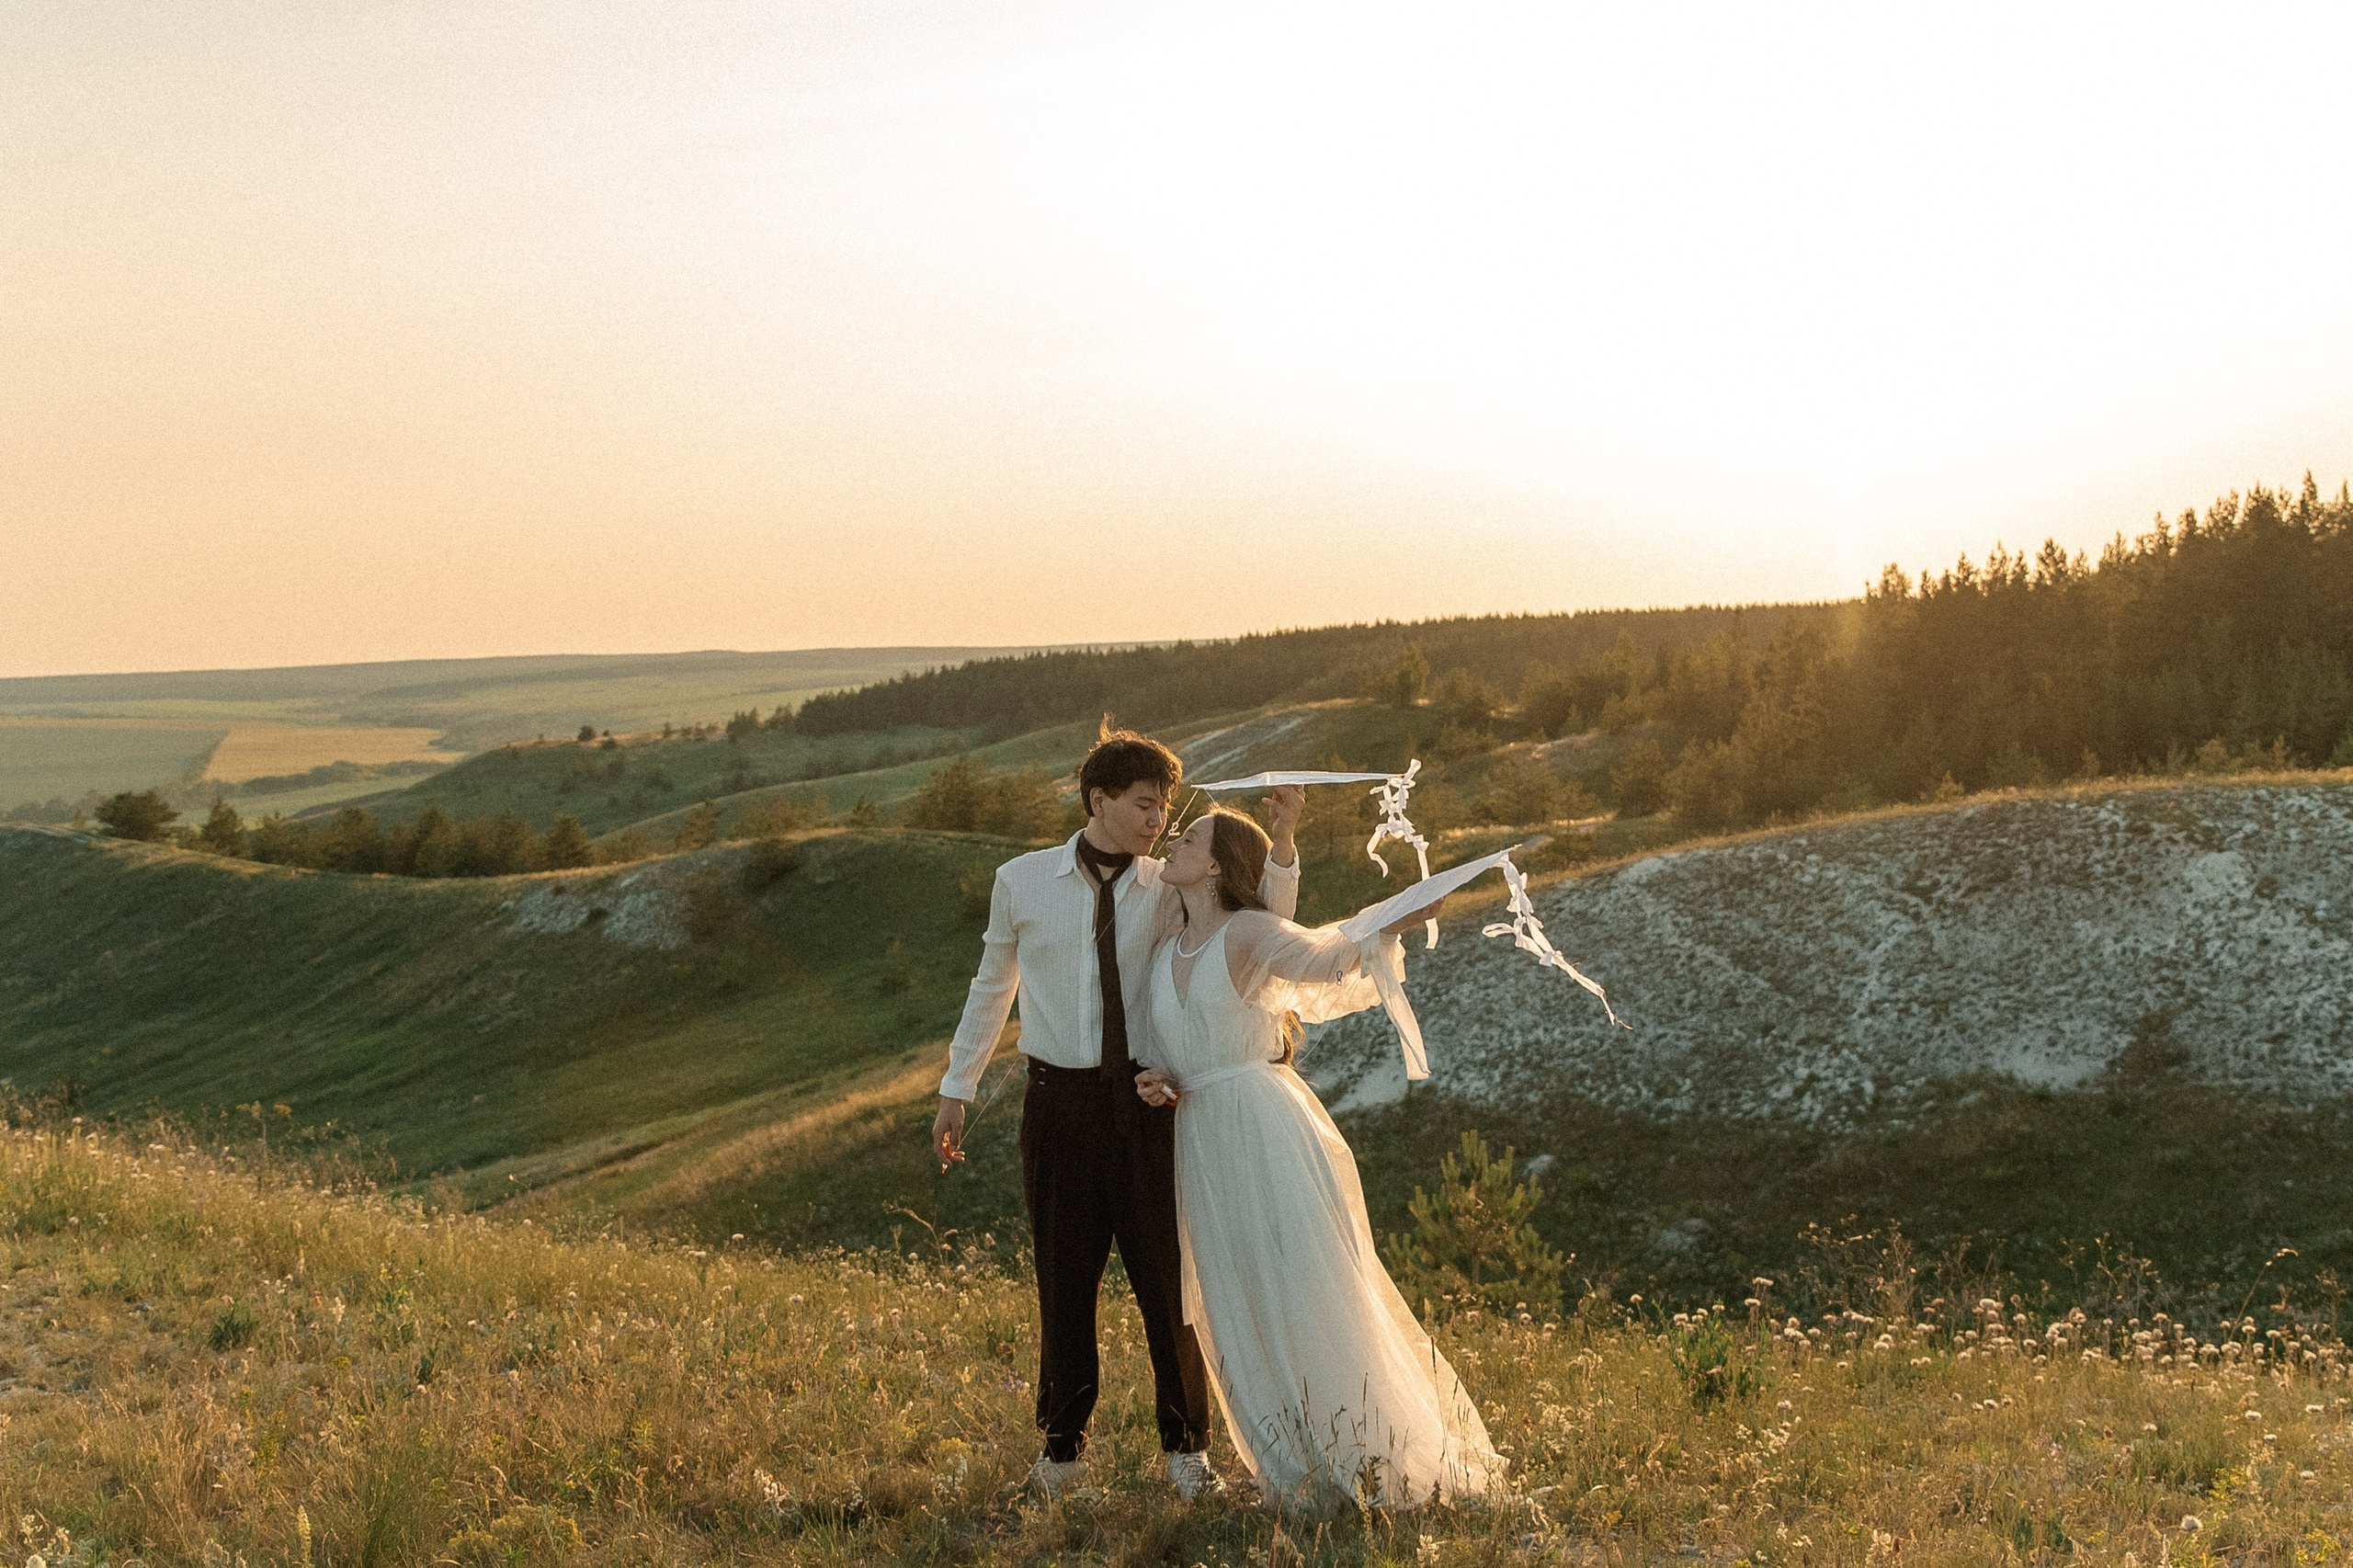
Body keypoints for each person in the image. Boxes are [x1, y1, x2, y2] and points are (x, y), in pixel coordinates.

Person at [931, 725, 1305, 1500]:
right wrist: (956, 1089)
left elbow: (1258, 924)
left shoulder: (1167, 885)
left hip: (1146, 1104)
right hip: (1057, 1108)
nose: (1157, 821)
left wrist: (1284, 844)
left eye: (1166, 806)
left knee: (1169, 1285)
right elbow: (989, 988)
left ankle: (1187, 1452)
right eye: (1143, 804)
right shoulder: (1021, 882)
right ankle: (1061, 1454)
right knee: (1063, 1283)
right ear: (1098, 799)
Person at [1130, 807, 1506, 1510]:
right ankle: (1289, 1465)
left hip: (1265, 1125)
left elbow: (1323, 959)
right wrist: (1153, 1078)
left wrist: (1388, 922)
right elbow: (1160, 1048)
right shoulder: (1163, 950)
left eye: (1188, 839)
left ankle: (1367, 1451)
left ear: (1214, 867)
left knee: (1304, 1279)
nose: (1173, 844)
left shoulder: (1248, 932)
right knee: (1233, 1289)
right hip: (1201, 1138)